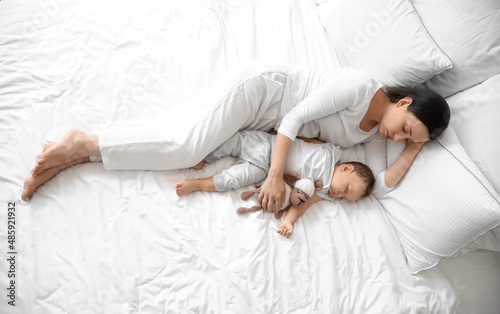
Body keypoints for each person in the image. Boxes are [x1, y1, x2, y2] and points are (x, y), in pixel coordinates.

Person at [22, 63, 450, 204]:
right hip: (264, 93)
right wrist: (272, 174)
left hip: (261, 124)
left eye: (406, 140)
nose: (398, 139)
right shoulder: (360, 87)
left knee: (184, 145)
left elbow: (384, 185)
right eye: (406, 129)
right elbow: (295, 118)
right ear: (404, 103)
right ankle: (83, 144)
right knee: (187, 145)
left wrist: (416, 147)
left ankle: (80, 151)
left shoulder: (374, 135)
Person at [174, 129, 375, 238]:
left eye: (344, 197)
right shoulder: (331, 152)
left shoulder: (323, 192)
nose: (339, 195)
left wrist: (289, 221)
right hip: (268, 144)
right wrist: (276, 133)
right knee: (233, 142)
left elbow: (302, 205)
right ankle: (207, 157)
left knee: (234, 179)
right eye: (346, 189)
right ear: (347, 168)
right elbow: (303, 138)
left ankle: (198, 184)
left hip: (264, 171)